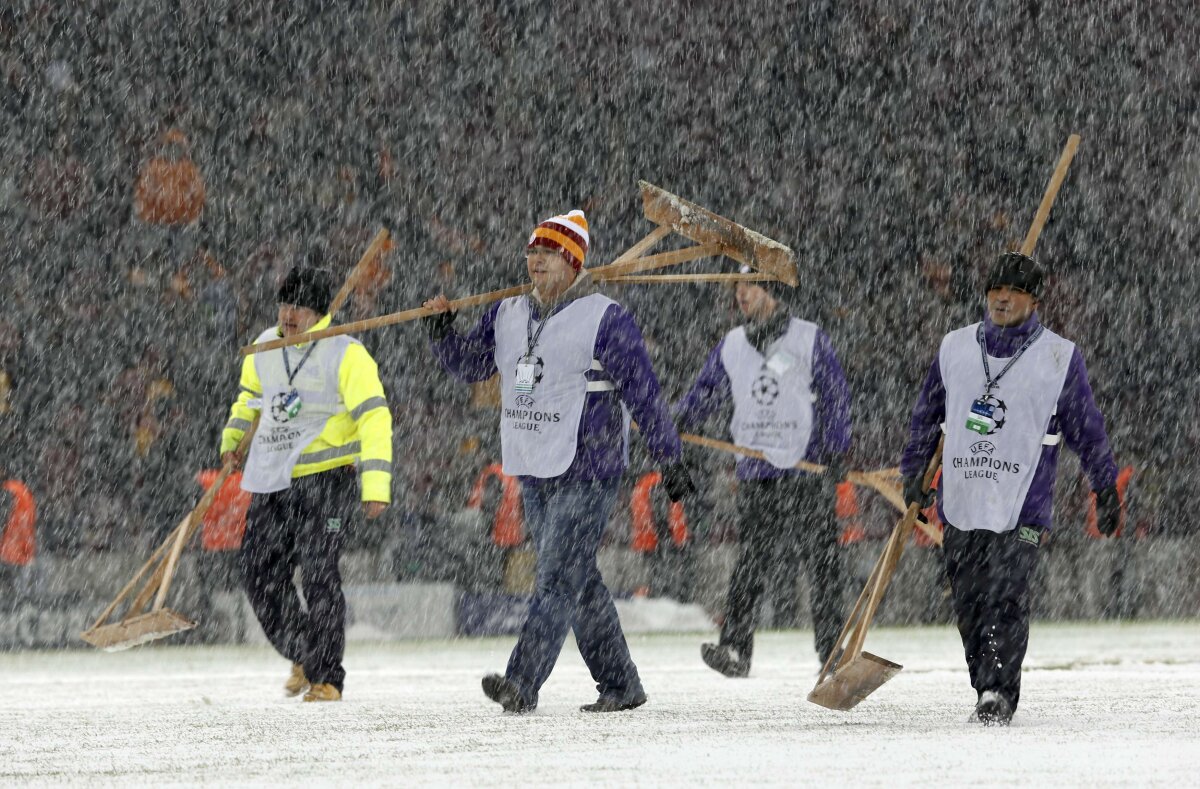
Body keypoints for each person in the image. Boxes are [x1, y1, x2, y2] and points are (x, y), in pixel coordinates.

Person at [423, 209, 694, 714]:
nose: (535, 262)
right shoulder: (506, 313)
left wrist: (669, 457)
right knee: (576, 580)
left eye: (547, 254)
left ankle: (521, 682)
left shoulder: (605, 319)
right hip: (532, 465)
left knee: (554, 579)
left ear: (573, 263)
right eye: (532, 253)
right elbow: (472, 365)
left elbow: (645, 394)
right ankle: (621, 684)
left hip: (589, 469)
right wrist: (442, 333)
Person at [900, 251, 1120, 725]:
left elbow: (1088, 429)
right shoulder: (955, 348)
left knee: (1006, 595)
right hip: (961, 500)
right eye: (996, 289)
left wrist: (1105, 486)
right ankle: (984, 684)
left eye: (1014, 291)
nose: (1002, 298)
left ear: (1034, 300)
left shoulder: (1059, 356)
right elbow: (925, 419)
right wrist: (913, 475)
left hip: (1023, 502)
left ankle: (999, 690)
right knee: (969, 602)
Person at [221, 265, 392, 702]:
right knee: (258, 574)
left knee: (319, 577)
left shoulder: (345, 351)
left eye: (298, 306)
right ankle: (305, 653)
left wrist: (375, 485)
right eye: (283, 304)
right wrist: (233, 440)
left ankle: (328, 677)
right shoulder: (264, 346)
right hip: (272, 480)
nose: (288, 314)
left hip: (326, 483)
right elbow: (249, 400)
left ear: (319, 311)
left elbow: (373, 416)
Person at [673, 270, 851, 676]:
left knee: (822, 565)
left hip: (805, 469)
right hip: (756, 470)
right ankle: (735, 649)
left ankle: (833, 653)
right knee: (751, 563)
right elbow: (705, 391)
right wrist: (679, 420)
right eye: (737, 287)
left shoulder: (808, 338)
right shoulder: (732, 345)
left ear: (771, 291)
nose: (741, 294)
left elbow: (835, 395)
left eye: (749, 286)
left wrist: (837, 447)